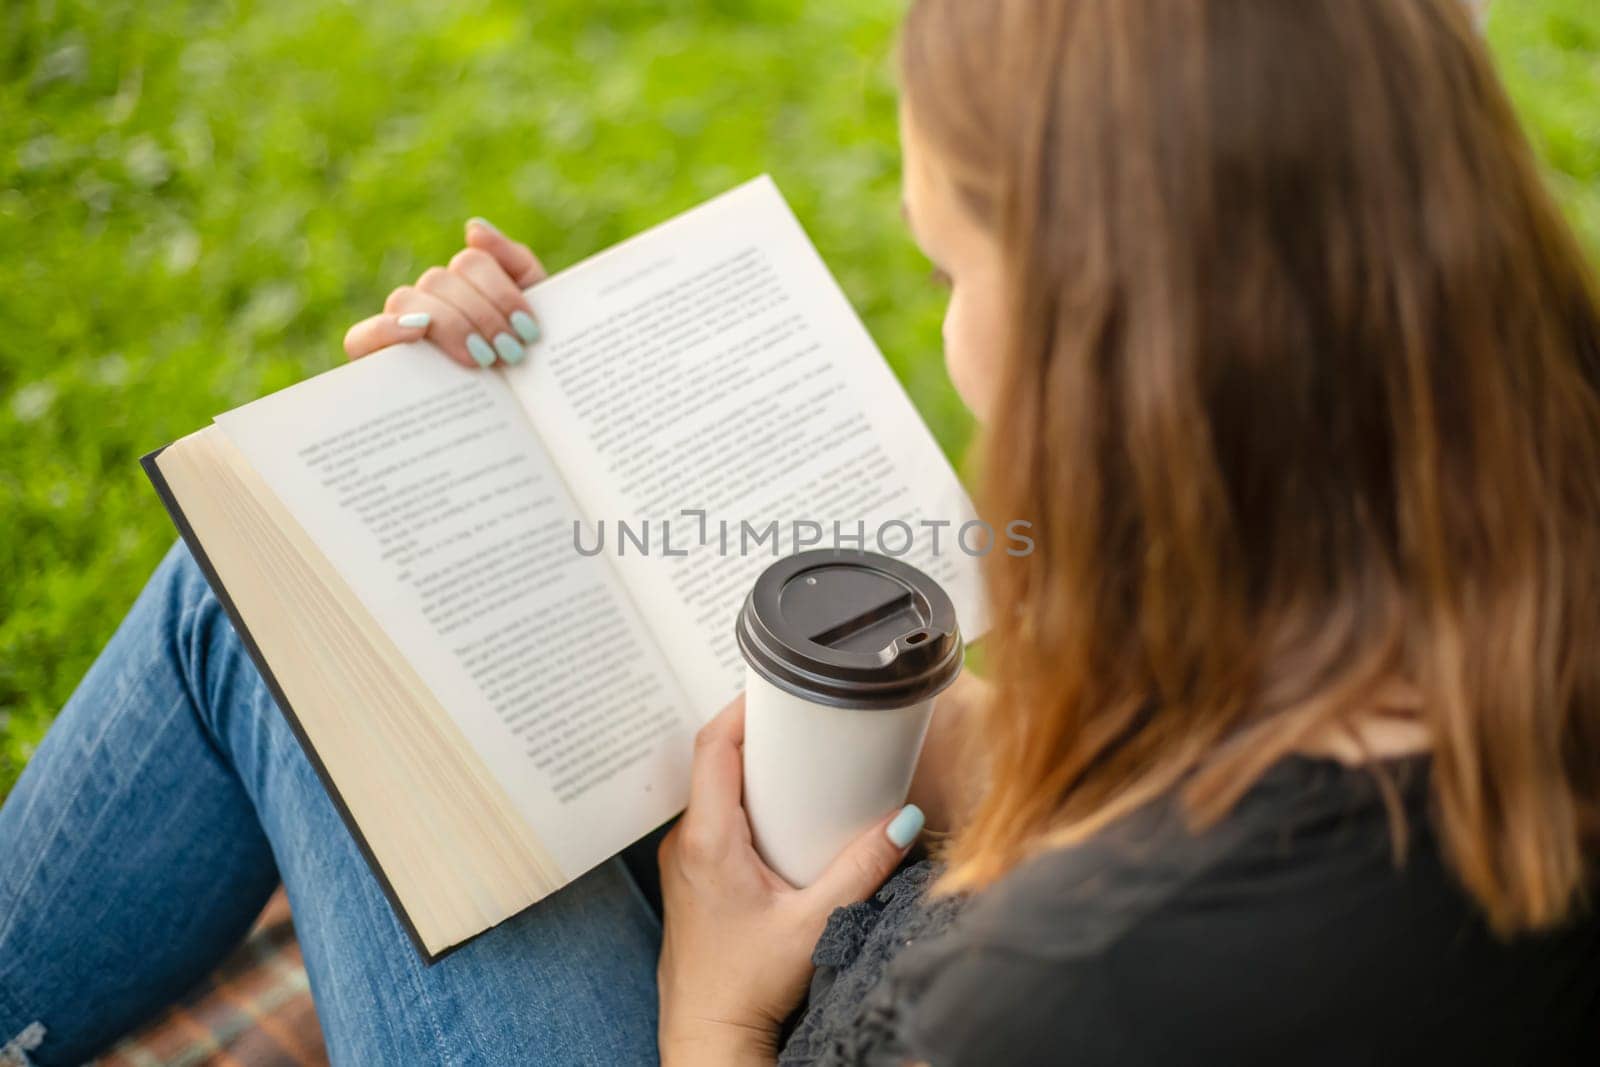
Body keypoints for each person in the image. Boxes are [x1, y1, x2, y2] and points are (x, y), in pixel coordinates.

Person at [4, 0, 1599, 1063]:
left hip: (774, 1005)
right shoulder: (1513, 563)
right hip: (878, 896)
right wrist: (581, 440)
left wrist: (708, 998)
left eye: (955, 270)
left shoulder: (1068, 990)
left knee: (269, 614)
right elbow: (1183, 750)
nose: (965, 342)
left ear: (1121, 333)